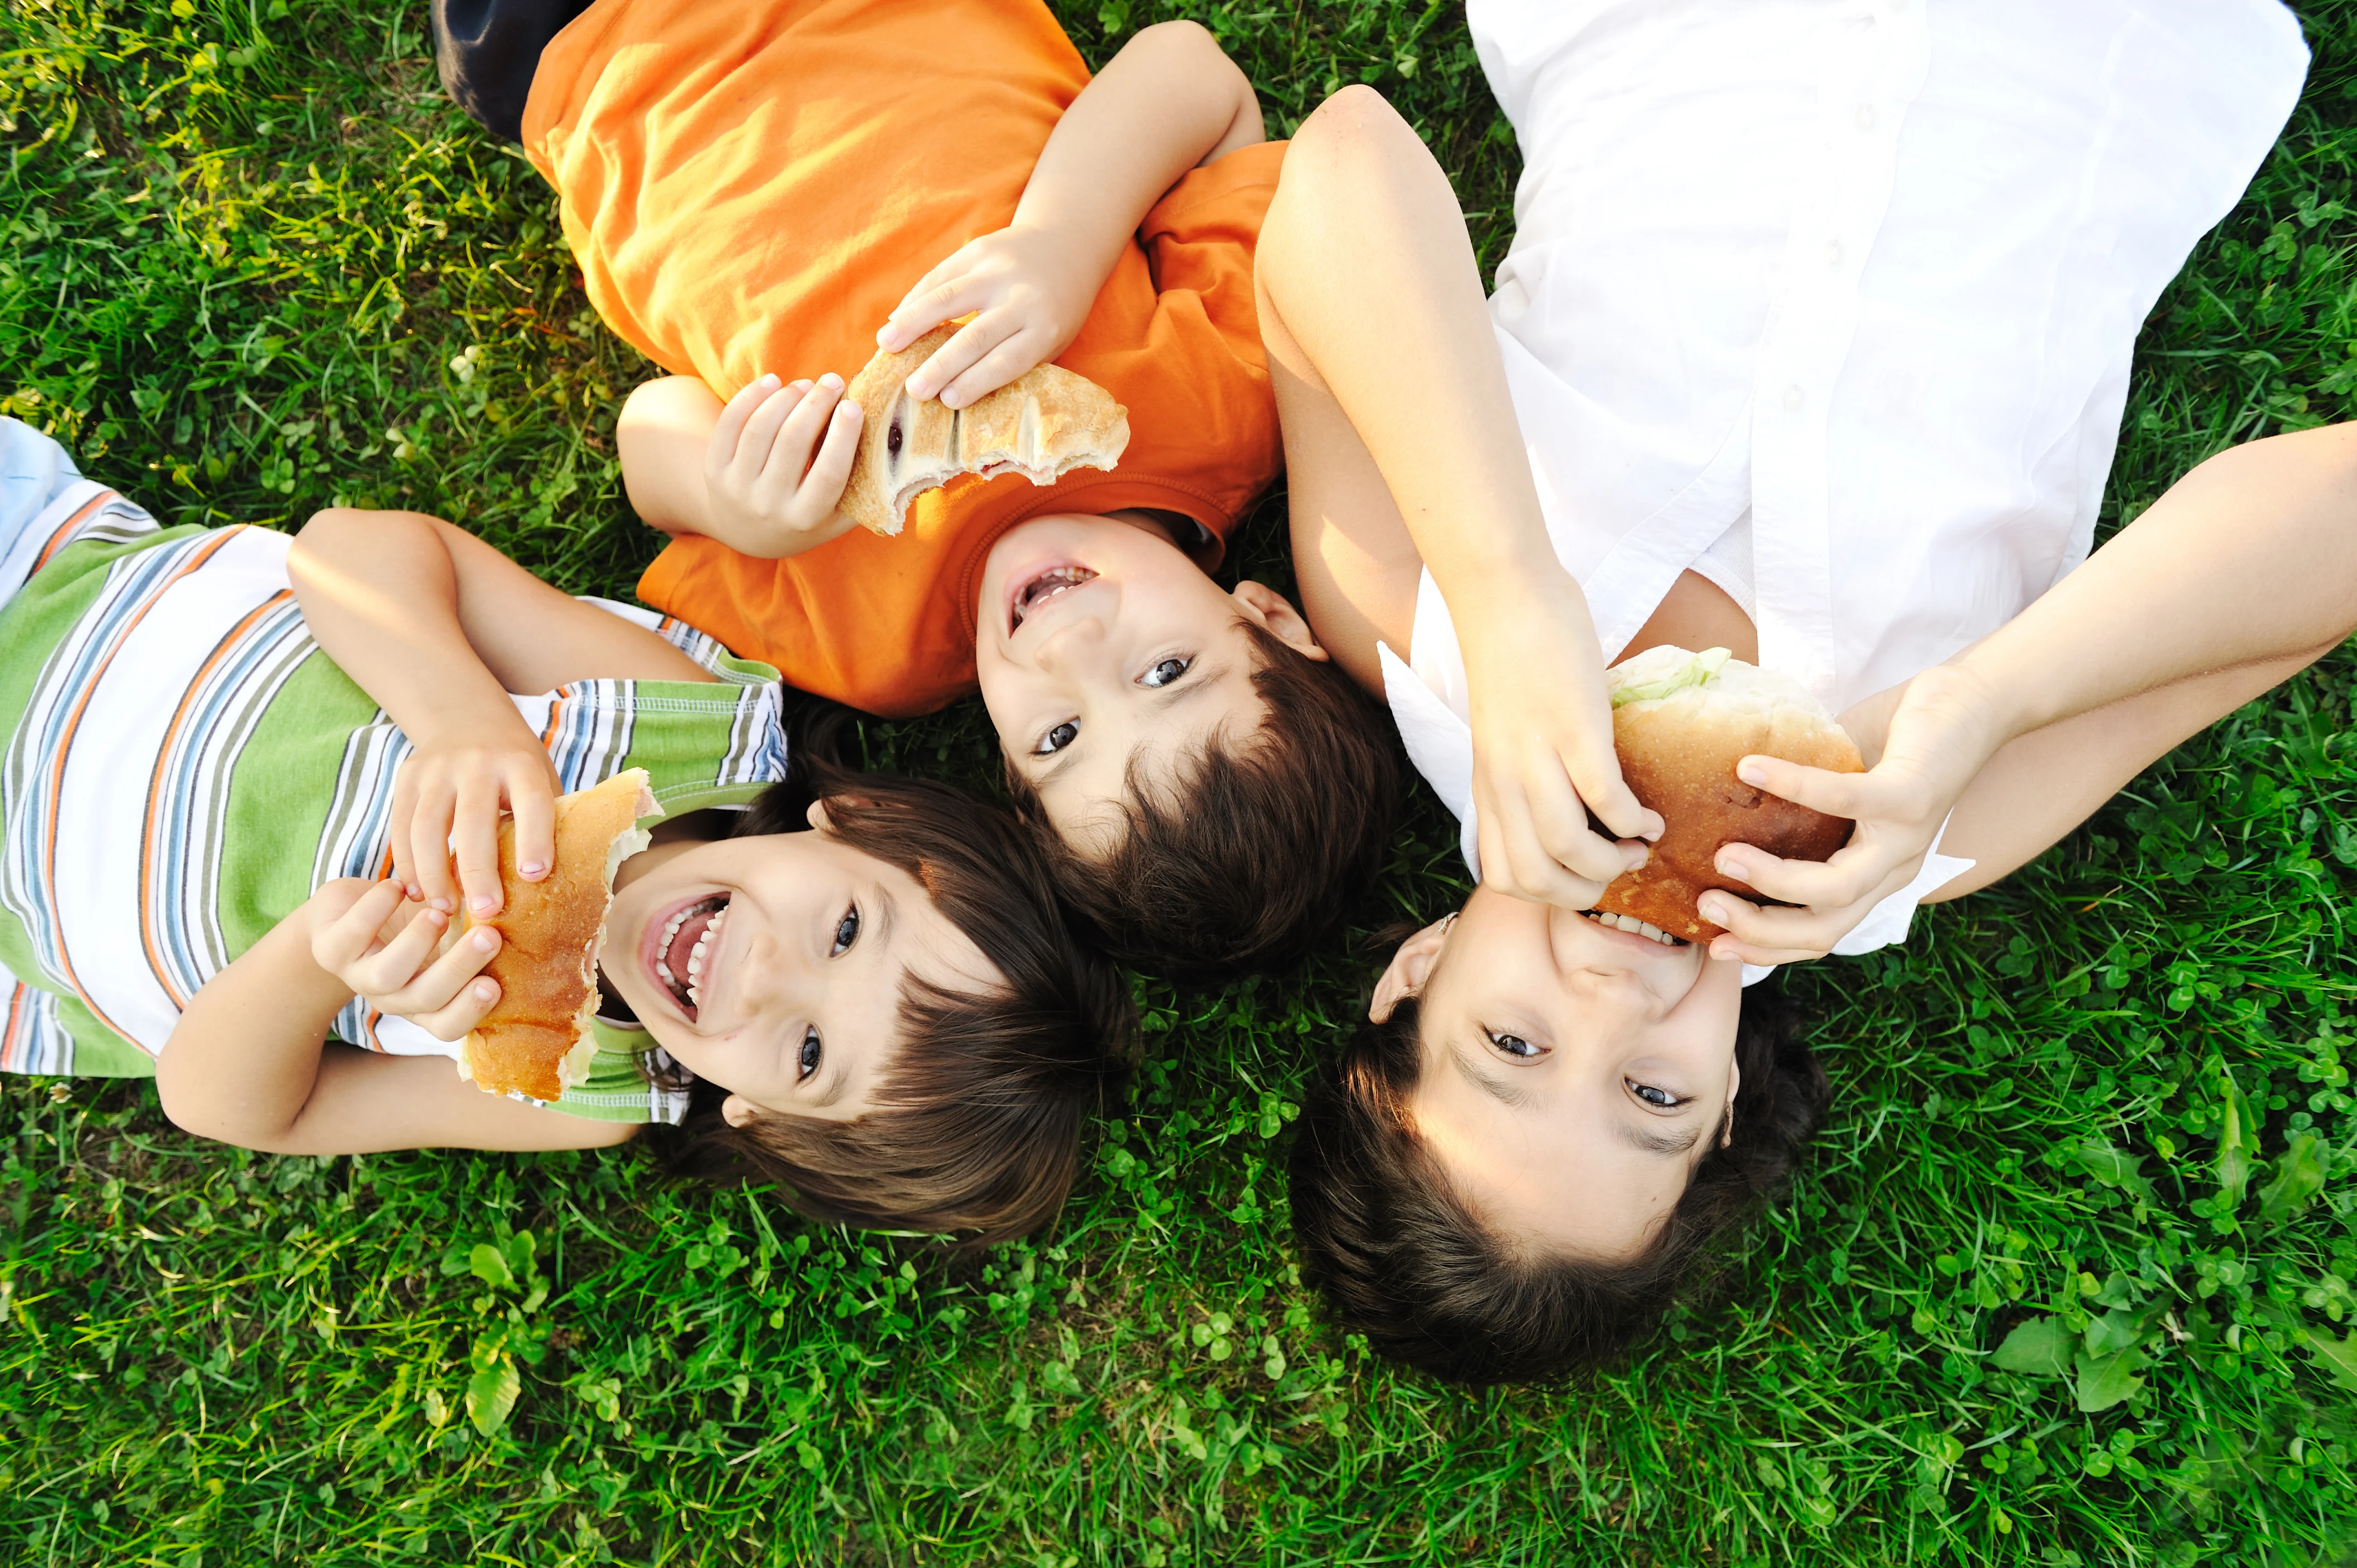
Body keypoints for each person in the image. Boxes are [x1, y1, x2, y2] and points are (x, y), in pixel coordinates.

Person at [1263, 0, 2337, 1381]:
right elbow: (2330, 537)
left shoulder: (1404, 630)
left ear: (1415, 975)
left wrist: (1505, 586)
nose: (1608, 997)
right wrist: (1977, 705)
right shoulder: (1909, 838)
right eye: (1649, 1097)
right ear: (1719, 1111)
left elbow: (1341, 160)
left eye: (1512, 1043)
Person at [428, 0, 1403, 980]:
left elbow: (648, 429)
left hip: (598, 76)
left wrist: (739, 508)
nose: (1067, 650)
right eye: (1165, 673)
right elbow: (1196, 77)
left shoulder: (875, 654)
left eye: (1060, 736)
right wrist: (1061, 243)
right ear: (1268, 618)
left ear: (1014, 777)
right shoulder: (1226, 410)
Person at [0, 417, 1131, 1242]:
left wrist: (314, 961)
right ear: (855, 827)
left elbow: (230, 1106)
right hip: (38, 591)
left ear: (763, 1122)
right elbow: (345, 548)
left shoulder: (575, 1088)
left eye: (807, 1054)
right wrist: (458, 718)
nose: (769, 973)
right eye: (844, 931)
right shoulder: (678, 730)